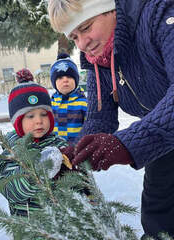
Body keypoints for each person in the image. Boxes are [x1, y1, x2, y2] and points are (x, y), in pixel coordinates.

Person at [48, 0, 174, 239]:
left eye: (85, 28)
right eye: (74, 37)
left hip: (161, 128)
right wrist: (75, 155)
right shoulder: (100, 60)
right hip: (164, 136)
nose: (82, 44)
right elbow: (99, 117)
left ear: (110, 9)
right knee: (157, 212)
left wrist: (127, 143)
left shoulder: (159, 16)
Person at [0, 69, 74, 218]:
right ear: (18, 121)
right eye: (30, 116)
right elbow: (9, 188)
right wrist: (36, 172)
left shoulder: (59, 144)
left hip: (63, 223)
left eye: (44, 114)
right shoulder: (12, 151)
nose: (39, 120)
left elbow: (76, 178)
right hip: (32, 226)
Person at [50, 53, 87, 144]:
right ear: (54, 83)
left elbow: (89, 126)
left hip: (78, 149)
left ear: (76, 80)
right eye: (60, 77)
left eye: (69, 77)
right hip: (56, 150)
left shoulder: (84, 103)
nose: (65, 80)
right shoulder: (50, 104)